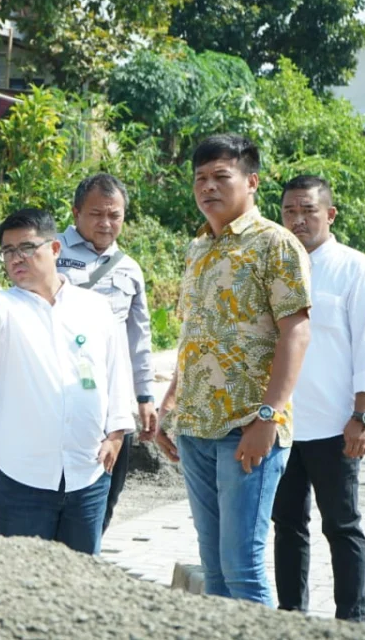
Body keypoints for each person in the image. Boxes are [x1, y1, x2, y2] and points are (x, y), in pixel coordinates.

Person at [154, 134, 311, 606]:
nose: (208, 187)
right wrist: (171, 404)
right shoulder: (197, 249)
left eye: (222, 176)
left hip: (247, 428)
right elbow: (195, 334)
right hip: (197, 429)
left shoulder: (276, 245)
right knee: (215, 568)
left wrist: (267, 418)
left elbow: (296, 333)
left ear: (252, 181)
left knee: (242, 567)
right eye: (200, 178)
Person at [0, 208, 134, 556]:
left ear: (54, 249)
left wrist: (116, 434)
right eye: (7, 251)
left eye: (26, 248)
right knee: (25, 583)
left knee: (82, 579)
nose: (15, 258)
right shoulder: (6, 309)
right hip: (24, 479)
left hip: (88, 473)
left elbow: (117, 372)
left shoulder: (95, 308)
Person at [274, 175, 365, 622]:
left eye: (308, 211)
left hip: (336, 426)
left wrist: (363, 415)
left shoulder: (355, 268)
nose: (298, 220)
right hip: (281, 424)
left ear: (329, 214)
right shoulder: (276, 264)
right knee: (287, 527)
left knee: (341, 526)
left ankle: (352, 621)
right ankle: (289, 615)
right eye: (289, 212)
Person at [55, 174, 156, 532]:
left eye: (115, 216)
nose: (106, 223)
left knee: (107, 494)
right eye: (97, 214)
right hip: (59, 393)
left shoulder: (129, 268)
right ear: (76, 212)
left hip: (111, 399)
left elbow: (138, 339)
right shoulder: (49, 253)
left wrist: (144, 396)